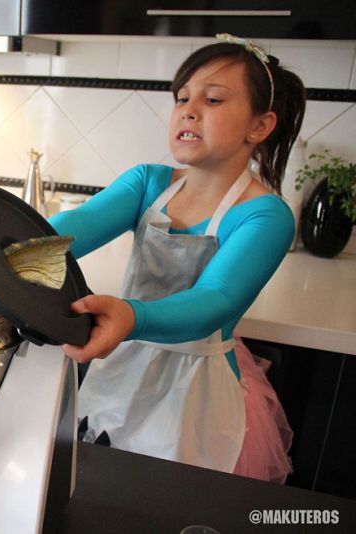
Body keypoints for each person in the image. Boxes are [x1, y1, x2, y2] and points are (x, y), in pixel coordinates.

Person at [49, 34, 305, 483]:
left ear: (260, 126)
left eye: (213, 99)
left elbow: (215, 299)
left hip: (196, 397)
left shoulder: (265, 215)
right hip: (121, 373)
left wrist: (132, 316)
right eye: (182, 97)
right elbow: (68, 231)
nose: (188, 109)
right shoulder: (148, 183)